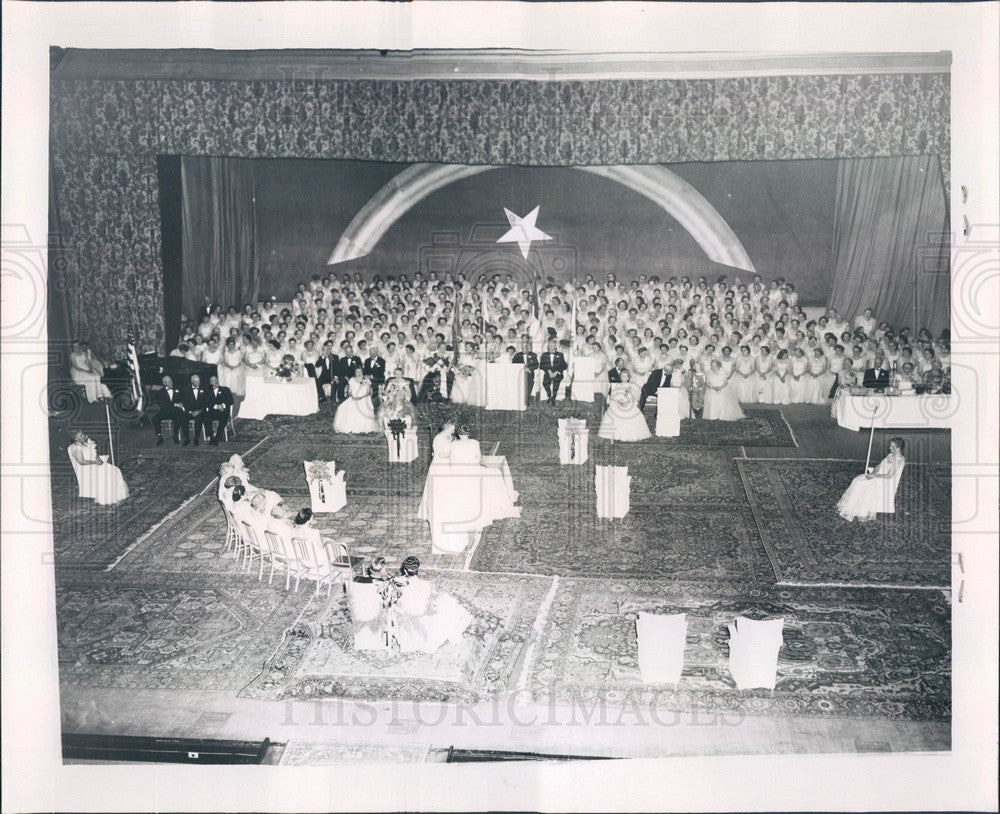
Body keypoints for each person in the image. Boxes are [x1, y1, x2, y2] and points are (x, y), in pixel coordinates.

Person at [393, 556, 473, 653]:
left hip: (406, 614)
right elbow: (432, 600)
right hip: (421, 614)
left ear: (405, 570)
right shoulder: (427, 584)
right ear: (417, 569)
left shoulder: (398, 584)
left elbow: (395, 599)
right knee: (446, 599)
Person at [836, 437, 906, 522]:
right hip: (877, 475)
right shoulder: (890, 455)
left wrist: (874, 476)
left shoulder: (898, 460)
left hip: (885, 481)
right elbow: (879, 465)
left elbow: (889, 475)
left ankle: (860, 511)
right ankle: (850, 506)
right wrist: (873, 472)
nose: (889, 448)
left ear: (898, 448)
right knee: (858, 480)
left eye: (892, 447)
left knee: (861, 484)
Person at [67, 431, 129, 505]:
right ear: (76, 438)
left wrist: (98, 458)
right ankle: (107, 498)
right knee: (110, 472)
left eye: (83, 434)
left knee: (115, 470)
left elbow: (93, 454)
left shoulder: (84, 443)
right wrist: (96, 462)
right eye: (81, 436)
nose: (84, 436)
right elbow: (82, 462)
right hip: (88, 469)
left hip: (94, 464)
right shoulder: (75, 449)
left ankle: (118, 495)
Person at [598, 369, 652, 441]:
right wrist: (619, 401)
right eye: (622, 376)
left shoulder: (631, 386)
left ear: (628, 377)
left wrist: (626, 402)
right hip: (618, 403)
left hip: (628, 404)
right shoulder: (617, 385)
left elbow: (634, 396)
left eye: (625, 376)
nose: (623, 378)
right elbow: (613, 395)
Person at [148, 374, 192, 445]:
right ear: (164, 383)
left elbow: (184, 398)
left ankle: (175, 435)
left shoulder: (178, 389)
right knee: (154, 419)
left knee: (177, 415)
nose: (170, 382)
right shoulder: (160, 392)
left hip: (176, 410)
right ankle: (159, 437)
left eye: (170, 380)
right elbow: (162, 404)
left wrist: (181, 404)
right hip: (165, 410)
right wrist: (174, 404)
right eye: (168, 381)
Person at [333, 367, 379, 433]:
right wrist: (352, 396)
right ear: (355, 373)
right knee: (342, 407)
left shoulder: (366, 380)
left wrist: (360, 398)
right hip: (353, 398)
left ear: (362, 372)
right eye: (357, 372)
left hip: (364, 399)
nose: (359, 373)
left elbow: (368, 392)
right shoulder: (351, 380)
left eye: (360, 371)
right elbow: (349, 391)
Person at [204, 374, 234, 445]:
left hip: (223, 411)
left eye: (216, 379)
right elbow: (206, 402)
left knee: (223, 417)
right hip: (213, 411)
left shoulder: (226, 389)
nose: (216, 381)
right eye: (213, 380)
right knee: (206, 417)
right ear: (210, 383)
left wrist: (223, 405)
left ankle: (217, 436)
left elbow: (231, 401)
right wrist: (216, 406)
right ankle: (210, 436)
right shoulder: (207, 391)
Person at [183, 374, 210, 446]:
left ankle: (196, 438)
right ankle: (186, 438)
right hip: (190, 411)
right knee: (183, 419)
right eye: (196, 381)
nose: (198, 383)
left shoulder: (204, 389)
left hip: (200, 411)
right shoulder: (186, 390)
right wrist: (190, 411)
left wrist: (199, 411)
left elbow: (206, 403)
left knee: (199, 420)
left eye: (199, 381)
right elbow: (185, 403)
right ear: (192, 381)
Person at [539, 339, 567, 405]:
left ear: (555, 346)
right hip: (548, 373)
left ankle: (553, 398)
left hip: (557, 373)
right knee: (545, 383)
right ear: (548, 346)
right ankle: (549, 396)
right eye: (549, 345)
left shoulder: (560, 354)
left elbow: (564, 365)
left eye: (552, 345)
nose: (551, 347)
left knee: (556, 383)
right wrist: (549, 371)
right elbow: (541, 365)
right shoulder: (544, 355)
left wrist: (557, 371)